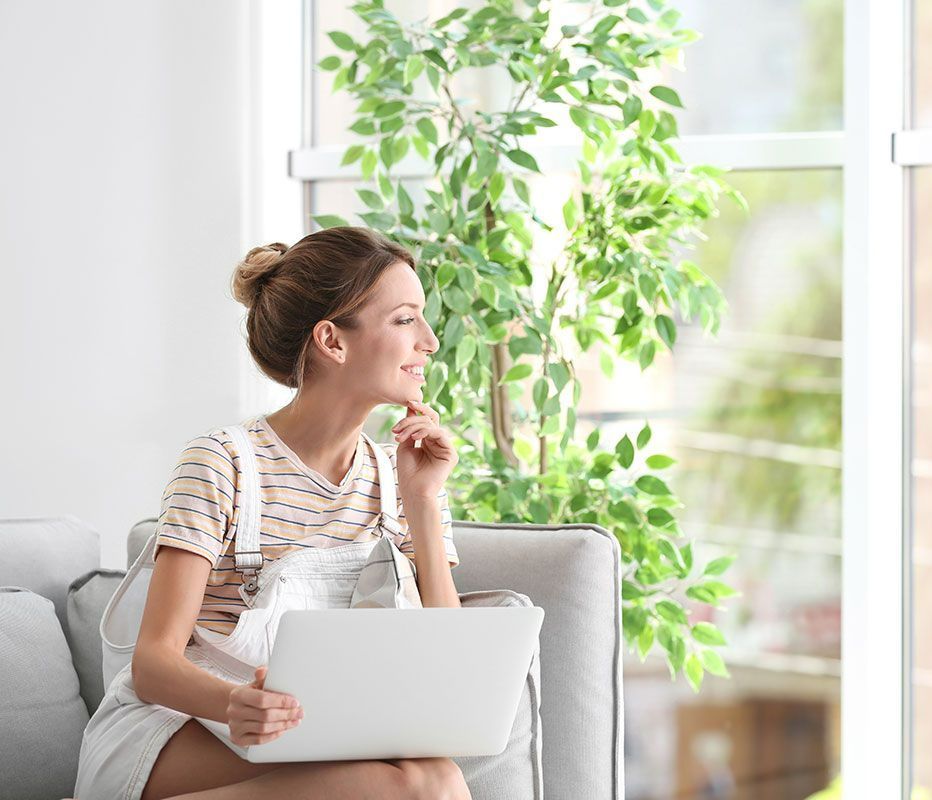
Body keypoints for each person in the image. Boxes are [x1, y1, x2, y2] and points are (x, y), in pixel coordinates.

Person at [73, 227, 471, 800]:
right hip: (183, 729)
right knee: (399, 788)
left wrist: (424, 502)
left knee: (439, 777)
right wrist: (236, 703)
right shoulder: (223, 463)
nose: (430, 341)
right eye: (406, 319)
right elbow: (153, 663)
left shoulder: (403, 473)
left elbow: (452, 665)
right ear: (332, 341)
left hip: (316, 732)